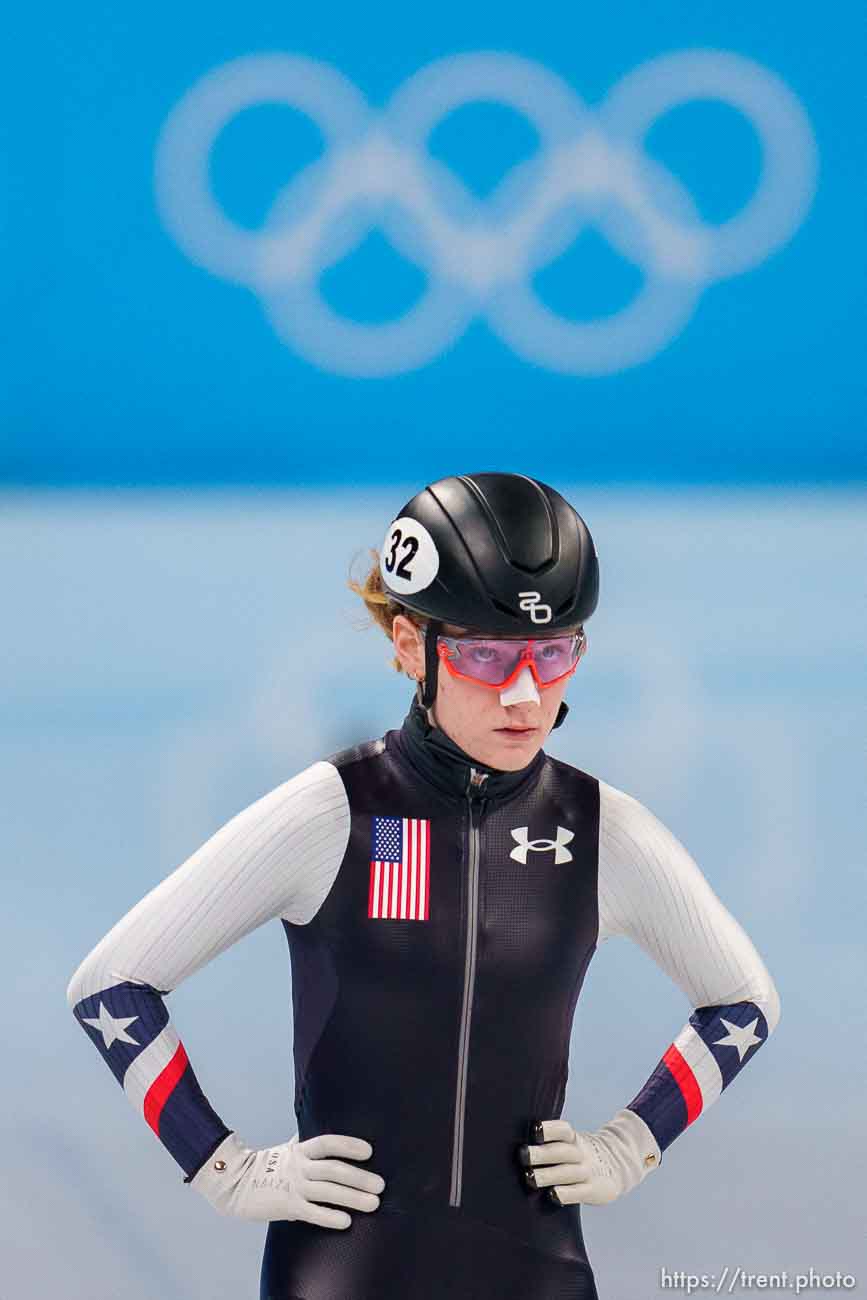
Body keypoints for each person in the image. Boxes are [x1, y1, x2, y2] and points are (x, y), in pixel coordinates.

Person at [67, 472, 780, 1300]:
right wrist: (220, 1165)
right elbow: (110, 986)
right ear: (411, 647)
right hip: (343, 1271)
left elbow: (741, 999)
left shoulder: (602, 830)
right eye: (486, 654)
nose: (525, 695)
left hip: (537, 1267)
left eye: (553, 654)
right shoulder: (332, 813)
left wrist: (632, 1142)